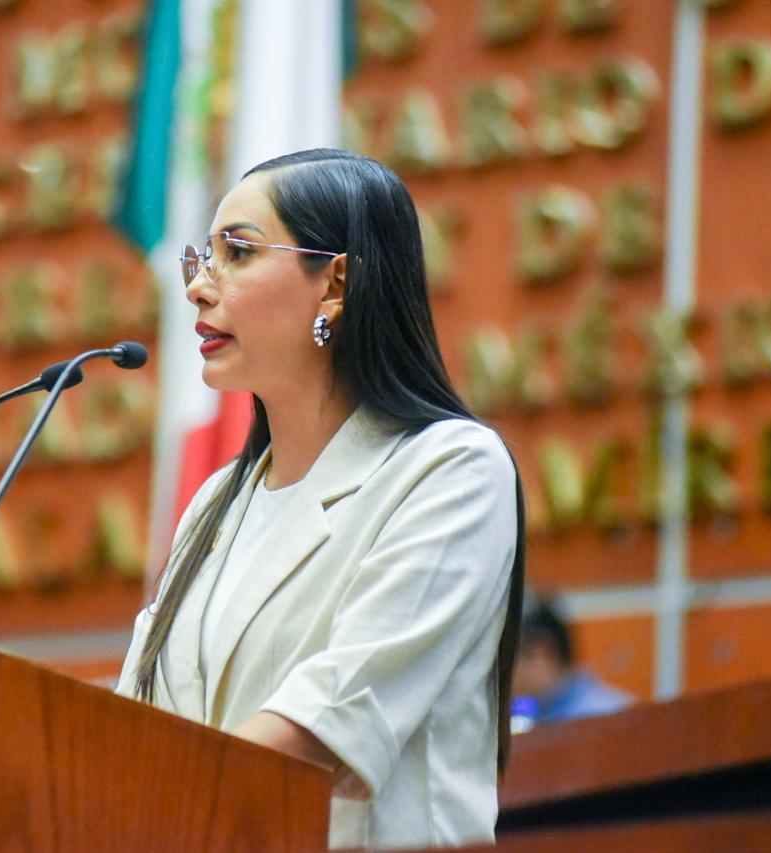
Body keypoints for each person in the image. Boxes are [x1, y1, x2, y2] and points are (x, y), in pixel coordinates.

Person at [115, 148, 526, 850]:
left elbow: (331, 723)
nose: (199, 288)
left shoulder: (450, 469)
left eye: (238, 252)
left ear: (335, 282)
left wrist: (162, 801)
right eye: (203, 258)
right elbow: (135, 723)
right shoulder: (217, 502)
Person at [512, 596, 632, 725]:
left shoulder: (606, 719)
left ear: (542, 653)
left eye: (508, 658)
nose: (501, 673)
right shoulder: (542, 716)